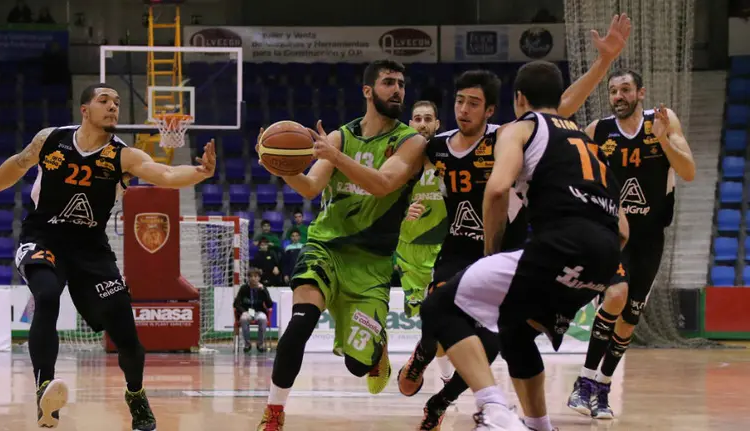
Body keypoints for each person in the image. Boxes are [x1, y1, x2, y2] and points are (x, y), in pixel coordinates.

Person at [396, 14, 631, 431]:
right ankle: (539, 425)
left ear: (507, 103)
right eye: (459, 101)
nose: (464, 109)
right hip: (599, 257)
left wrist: (491, 254)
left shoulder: (513, 131)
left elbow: (498, 189)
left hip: (525, 247)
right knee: (514, 332)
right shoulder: (580, 141)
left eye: (474, 103)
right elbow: (624, 230)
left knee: (443, 310)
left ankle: (493, 409)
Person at [0, 83, 216, 430]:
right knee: (46, 295)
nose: (113, 107)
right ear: (85, 109)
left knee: (126, 336)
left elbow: (166, 175)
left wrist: (200, 172)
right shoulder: (50, 139)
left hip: (91, 248)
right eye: (104, 101)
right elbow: (17, 165)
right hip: (43, 236)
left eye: (117, 102)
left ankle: (136, 394)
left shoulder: (124, 156)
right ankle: (45, 389)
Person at [256, 59, 427, 430]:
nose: (397, 90)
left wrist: (335, 157)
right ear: (368, 91)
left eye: (401, 84)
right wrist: (279, 166)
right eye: (388, 82)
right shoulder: (339, 136)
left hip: (371, 263)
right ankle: (274, 413)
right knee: (299, 325)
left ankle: (376, 348)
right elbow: (310, 187)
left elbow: (383, 184)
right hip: (325, 248)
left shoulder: (411, 142)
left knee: (357, 365)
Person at [568, 69, 695, 419]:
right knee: (615, 296)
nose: (618, 96)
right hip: (612, 235)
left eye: (625, 89)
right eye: (613, 91)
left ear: (640, 93)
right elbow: (576, 176)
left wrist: (663, 140)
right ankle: (584, 381)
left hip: (650, 237)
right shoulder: (598, 130)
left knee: (629, 318)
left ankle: (602, 387)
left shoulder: (663, 121)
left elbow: (688, 172)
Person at [397, 100, 446, 318]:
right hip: (409, 248)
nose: (423, 124)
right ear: (410, 124)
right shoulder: (398, 159)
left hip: (444, 244)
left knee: (445, 310)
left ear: (437, 124)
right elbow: (380, 197)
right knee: (417, 313)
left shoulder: (450, 157)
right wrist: (402, 212)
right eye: (418, 119)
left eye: (428, 119)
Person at [234, 268, 274, 352]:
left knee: (263, 318)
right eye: (251, 276)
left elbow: (270, 304)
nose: (253, 278)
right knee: (244, 318)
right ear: (248, 278)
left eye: (255, 276)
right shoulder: (244, 288)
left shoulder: (263, 288)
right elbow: (236, 304)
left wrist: (263, 291)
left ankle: (260, 344)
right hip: (247, 312)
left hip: (259, 312)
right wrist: (243, 311)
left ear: (259, 278)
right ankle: (247, 344)